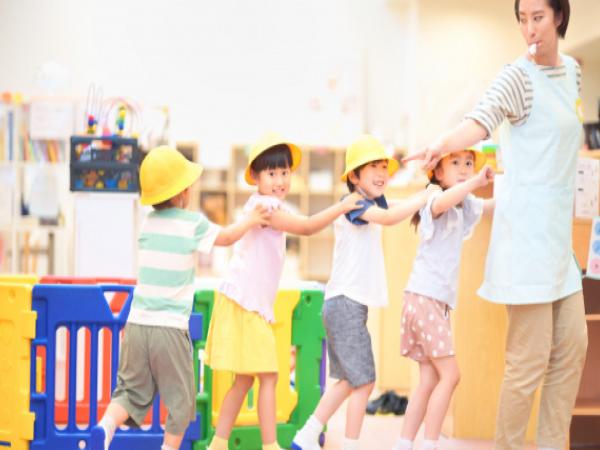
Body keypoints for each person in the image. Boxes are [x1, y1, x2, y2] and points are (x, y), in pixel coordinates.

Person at [404, 1, 587, 448]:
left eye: (538, 17)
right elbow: (479, 121)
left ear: (559, 17)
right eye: (523, 19)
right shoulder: (516, 77)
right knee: (527, 364)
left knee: (572, 350)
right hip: (524, 242)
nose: (530, 28)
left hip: (558, 242)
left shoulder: (573, 73)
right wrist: (442, 143)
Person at [90, 145, 271, 450]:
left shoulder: (147, 223)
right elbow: (227, 237)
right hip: (169, 329)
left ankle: (105, 427)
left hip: (136, 326)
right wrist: (251, 220)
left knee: (129, 391)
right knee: (181, 400)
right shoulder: (192, 223)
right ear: (181, 193)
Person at [204, 133, 362, 450]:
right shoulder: (266, 208)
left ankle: (218, 445)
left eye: (285, 172)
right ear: (256, 176)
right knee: (269, 377)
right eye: (272, 173)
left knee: (245, 380)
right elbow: (306, 227)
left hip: (245, 302)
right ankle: (270, 445)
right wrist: (341, 206)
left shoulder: (265, 205)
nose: (280, 180)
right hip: (245, 304)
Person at [291, 134, 435, 450]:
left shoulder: (372, 201)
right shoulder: (355, 203)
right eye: (373, 167)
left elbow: (394, 207)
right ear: (354, 176)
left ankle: (306, 436)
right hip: (345, 303)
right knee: (365, 382)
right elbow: (389, 218)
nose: (382, 173)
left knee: (347, 381)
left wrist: (427, 192)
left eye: (384, 167)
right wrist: (425, 197)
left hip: (344, 304)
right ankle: (351, 445)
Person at [393, 148, 494, 450]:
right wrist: (476, 181)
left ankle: (403, 444)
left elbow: (491, 206)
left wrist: (521, 185)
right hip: (425, 299)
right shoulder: (435, 197)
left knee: (429, 380)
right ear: (437, 172)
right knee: (450, 376)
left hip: (429, 300)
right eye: (456, 163)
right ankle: (430, 444)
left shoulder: (466, 204)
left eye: (468, 163)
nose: (464, 168)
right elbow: (444, 202)